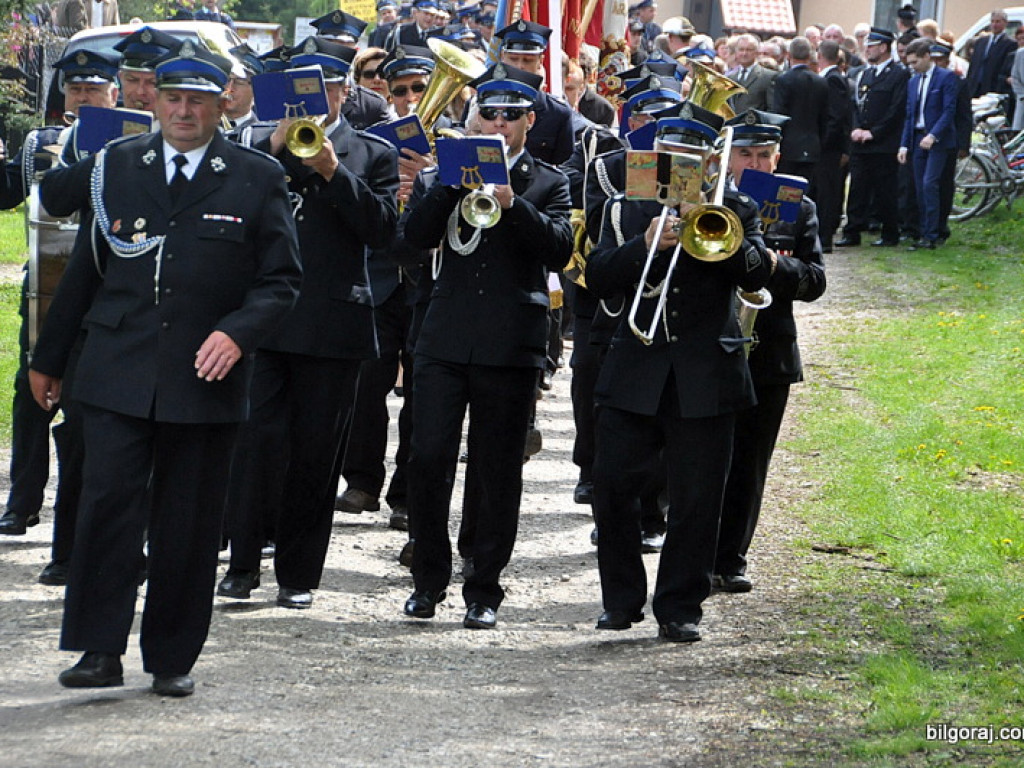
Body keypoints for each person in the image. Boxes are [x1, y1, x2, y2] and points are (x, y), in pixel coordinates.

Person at [29, 41, 302, 697]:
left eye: (197, 101)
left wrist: (237, 334)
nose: (183, 111)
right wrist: (48, 358)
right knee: (107, 509)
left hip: (205, 377)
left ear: (221, 105)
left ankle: (171, 657)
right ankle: (98, 649)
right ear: (153, 101)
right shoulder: (118, 165)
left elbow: (281, 281)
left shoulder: (257, 175)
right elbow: (86, 270)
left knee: (189, 520)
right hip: (118, 368)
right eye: (173, 98)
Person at [216, 37, 399, 607]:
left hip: (333, 321)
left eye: (324, 91)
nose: (313, 103)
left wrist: (332, 171)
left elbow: (384, 230)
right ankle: (243, 563)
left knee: (316, 455)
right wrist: (274, 151)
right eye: (300, 94)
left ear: (344, 92)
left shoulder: (372, 153)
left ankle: (298, 575)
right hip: (264, 321)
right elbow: (229, 212)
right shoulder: (254, 147)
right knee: (254, 443)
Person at [584, 109, 772, 643]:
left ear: (710, 164)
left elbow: (758, 273)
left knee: (697, 498)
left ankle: (680, 606)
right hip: (635, 366)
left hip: (705, 372)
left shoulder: (736, 209)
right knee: (612, 488)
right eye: (669, 156)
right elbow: (596, 277)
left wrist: (707, 223)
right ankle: (621, 600)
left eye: (691, 159)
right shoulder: (623, 208)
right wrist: (643, 245)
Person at [399, 63, 573, 629]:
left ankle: (484, 588)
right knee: (428, 458)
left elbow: (560, 249)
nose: (499, 124)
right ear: (475, 118)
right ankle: (427, 580)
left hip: (510, 342)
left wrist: (512, 203)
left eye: (510, 116)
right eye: (489, 114)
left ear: (529, 122)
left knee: (497, 470)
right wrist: (449, 185)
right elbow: (410, 240)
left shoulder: (547, 182)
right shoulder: (440, 176)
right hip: (444, 337)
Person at [0, 50, 119, 549]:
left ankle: (77, 516)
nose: (83, 97)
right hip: (47, 285)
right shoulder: (41, 143)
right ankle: (21, 501)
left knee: (86, 404)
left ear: (113, 93)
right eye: (75, 89)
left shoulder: (132, 142)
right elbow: (9, 193)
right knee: (30, 394)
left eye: (93, 89)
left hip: (105, 288)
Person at [714, 109, 827, 592]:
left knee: (751, 460)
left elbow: (815, 280)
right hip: (711, 345)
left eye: (764, 155)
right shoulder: (709, 202)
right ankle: (693, 549)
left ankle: (730, 557)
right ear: (727, 158)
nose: (755, 164)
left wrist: (776, 267)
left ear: (777, 159)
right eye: (745, 154)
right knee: (703, 457)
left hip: (768, 349)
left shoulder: (799, 208)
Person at [334, 44, 437, 525]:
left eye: (420, 88)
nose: (410, 98)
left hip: (426, 279)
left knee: (424, 392)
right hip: (378, 274)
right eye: (401, 91)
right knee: (365, 385)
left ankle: (408, 494)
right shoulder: (370, 142)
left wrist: (429, 180)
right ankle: (361, 481)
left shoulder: (455, 141)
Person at [836, 27, 908, 249]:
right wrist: (856, 128)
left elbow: (896, 109)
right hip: (861, 142)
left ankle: (889, 232)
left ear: (884, 47)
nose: (867, 50)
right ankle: (852, 231)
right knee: (857, 188)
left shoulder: (898, 74)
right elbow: (856, 104)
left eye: (871, 46)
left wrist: (875, 132)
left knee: (885, 190)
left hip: (883, 143)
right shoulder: (865, 74)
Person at [899, 37, 960, 251]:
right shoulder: (913, 81)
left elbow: (949, 111)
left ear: (927, 56)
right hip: (917, 138)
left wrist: (934, 135)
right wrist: (904, 145)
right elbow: (910, 115)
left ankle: (932, 234)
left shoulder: (946, 77)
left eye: (915, 62)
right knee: (919, 187)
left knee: (930, 184)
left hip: (938, 140)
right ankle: (923, 231)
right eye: (909, 63)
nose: (912, 67)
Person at [772, 36, 828, 188]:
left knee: (784, 190)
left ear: (788, 56)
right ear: (810, 56)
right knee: (805, 191)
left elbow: (778, 114)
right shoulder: (821, 82)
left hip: (788, 147)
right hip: (813, 147)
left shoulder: (783, 80)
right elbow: (824, 118)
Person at [815, 40, 852, 253]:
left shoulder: (833, 79)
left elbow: (836, 117)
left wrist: (823, 143)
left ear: (820, 55)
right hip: (829, 146)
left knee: (827, 193)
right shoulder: (830, 77)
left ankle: (825, 238)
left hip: (829, 148)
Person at [967, 10, 1016, 100]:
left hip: (993, 90)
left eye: (997, 22)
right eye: (992, 21)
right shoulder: (981, 42)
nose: (994, 25)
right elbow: (973, 66)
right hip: (975, 88)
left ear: (1005, 23)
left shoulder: (1010, 44)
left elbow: (1006, 69)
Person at [729, 34, 778, 114]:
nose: (744, 53)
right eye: (741, 49)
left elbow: (772, 109)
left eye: (749, 50)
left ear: (757, 52)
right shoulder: (730, 78)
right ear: (736, 52)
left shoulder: (768, 77)